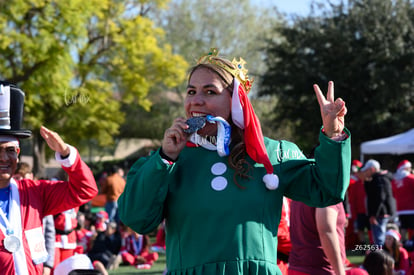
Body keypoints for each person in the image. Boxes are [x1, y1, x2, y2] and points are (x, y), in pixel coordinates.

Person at [118, 48, 351, 275]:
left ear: (236, 99)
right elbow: (137, 220)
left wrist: (333, 136)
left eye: (210, 92)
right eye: (191, 92)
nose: (196, 101)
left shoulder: (272, 153)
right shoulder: (168, 160)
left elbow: (326, 190)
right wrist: (165, 158)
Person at [0, 81, 98, 274]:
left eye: (10, 150)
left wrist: (65, 153)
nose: (4, 157)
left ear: (18, 154)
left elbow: (85, 190)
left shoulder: (34, 192)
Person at [288, 200, 347, 275]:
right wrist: (340, 272)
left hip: (298, 266)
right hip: (319, 269)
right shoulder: (326, 191)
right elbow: (326, 232)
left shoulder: (300, 191)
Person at [362, 159, 396, 246]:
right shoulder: (380, 178)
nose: (365, 172)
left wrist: (374, 214)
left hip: (380, 213)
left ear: (372, 169)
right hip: (383, 212)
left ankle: (381, 258)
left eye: (367, 170)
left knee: (379, 238)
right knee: (380, 237)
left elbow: (379, 198)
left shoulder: (379, 179)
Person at [348, 159, 372, 246]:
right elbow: (352, 200)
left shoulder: (370, 183)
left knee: (370, 230)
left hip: (369, 211)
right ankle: (362, 246)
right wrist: (354, 214)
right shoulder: (355, 184)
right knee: (360, 230)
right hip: (359, 212)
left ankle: (372, 245)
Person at [392, 159, 414, 243]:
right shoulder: (411, 178)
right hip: (411, 209)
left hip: (400, 209)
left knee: (403, 228)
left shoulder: (394, 180)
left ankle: (403, 243)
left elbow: (393, 194)